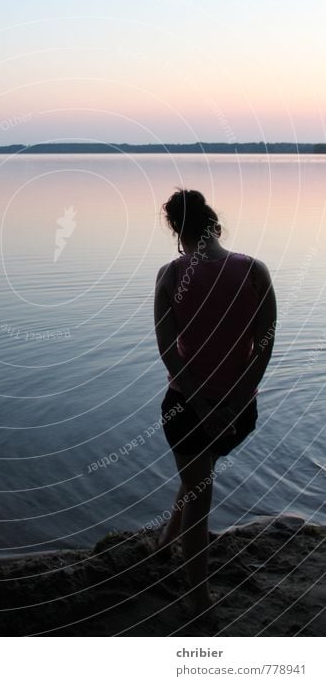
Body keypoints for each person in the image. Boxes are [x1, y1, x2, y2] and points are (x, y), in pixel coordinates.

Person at [153, 188, 276, 618]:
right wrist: (235, 403)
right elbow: (264, 345)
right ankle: (165, 543)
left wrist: (204, 408)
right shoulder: (255, 270)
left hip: (185, 408)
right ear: (214, 224)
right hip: (240, 412)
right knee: (198, 475)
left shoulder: (170, 274)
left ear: (176, 229)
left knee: (198, 491)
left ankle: (199, 600)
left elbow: (169, 351)